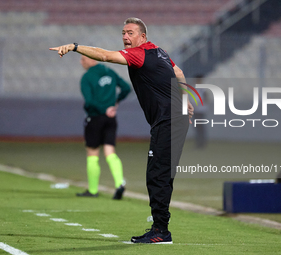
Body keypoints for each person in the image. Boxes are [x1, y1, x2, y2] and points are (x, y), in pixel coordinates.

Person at [50, 17, 194, 244]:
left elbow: (105, 55)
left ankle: (160, 231)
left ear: (142, 37)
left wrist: (75, 47)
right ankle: (160, 228)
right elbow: (179, 73)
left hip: (168, 120)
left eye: (130, 33)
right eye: (123, 33)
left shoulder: (139, 54)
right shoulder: (159, 51)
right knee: (161, 174)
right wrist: (185, 100)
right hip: (174, 118)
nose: (125, 37)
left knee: (157, 175)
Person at [76, 55, 131, 200]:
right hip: (111, 118)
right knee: (110, 151)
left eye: (83, 59)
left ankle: (93, 190)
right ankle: (119, 183)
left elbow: (89, 101)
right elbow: (126, 88)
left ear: (91, 59)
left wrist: (103, 109)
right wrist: (115, 104)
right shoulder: (110, 72)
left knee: (92, 153)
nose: (81, 62)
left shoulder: (87, 77)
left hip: (95, 118)